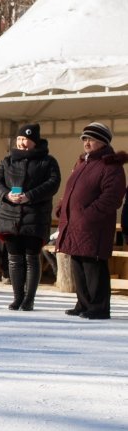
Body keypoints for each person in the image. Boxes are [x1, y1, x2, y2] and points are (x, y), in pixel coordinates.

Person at [55, 122, 127, 319]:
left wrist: (89, 215)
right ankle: (83, 303)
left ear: (103, 142)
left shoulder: (111, 166)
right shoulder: (82, 163)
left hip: (94, 225)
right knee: (78, 263)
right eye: (84, 139)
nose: (87, 142)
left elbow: (112, 197)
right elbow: (71, 191)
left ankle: (99, 307)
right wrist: (62, 208)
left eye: (92, 139)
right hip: (74, 223)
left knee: (93, 265)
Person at [0, 123, 61, 311]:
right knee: (14, 258)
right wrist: (6, 194)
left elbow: (53, 183)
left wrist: (30, 196)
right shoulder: (7, 160)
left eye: (26, 139)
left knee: (31, 258)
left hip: (35, 217)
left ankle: (29, 299)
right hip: (10, 216)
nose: (22, 143)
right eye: (20, 139)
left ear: (35, 142)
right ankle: (17, 297)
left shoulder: (48, 161)